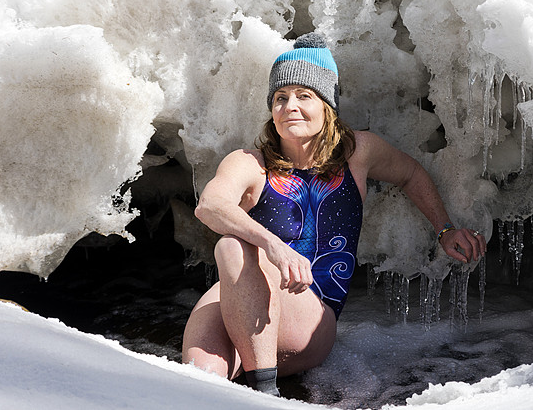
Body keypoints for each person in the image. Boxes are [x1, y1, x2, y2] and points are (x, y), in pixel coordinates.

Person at [181, 32, 486, 396]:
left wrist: (445, 229)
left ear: (328, 106)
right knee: (199, 385)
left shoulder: (357, 153)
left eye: (304, 96)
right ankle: (250, 384)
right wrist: (274, 246)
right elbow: (210, 205)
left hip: (310, 311)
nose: (289, 105)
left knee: (232, 247)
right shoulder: (250, 163)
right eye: (280, 98)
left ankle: (265, 396)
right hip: (236, 302)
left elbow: (410, 173)